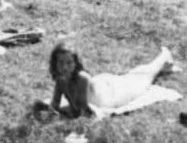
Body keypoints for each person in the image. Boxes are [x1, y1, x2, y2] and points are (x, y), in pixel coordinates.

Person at [46, 43, 176, 119]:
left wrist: (61, 115)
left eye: (69, 63)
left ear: (75, 63)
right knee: (135, 76)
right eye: (61, 63)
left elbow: (81, 108)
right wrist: (51, 112)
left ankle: (165, 57)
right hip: (103, 84)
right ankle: (163, 64)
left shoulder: (82, 78)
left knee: (141, 80)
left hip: (111, 94)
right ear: (55, 63)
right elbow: (56, 101)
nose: (64, 67)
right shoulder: (60, 79)